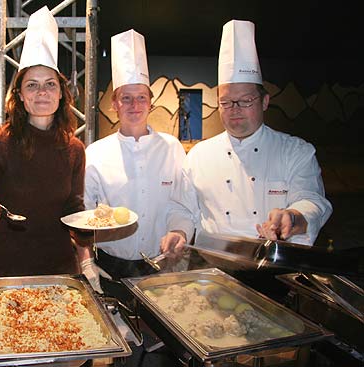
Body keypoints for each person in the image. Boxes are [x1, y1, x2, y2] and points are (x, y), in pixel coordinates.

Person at [162, 20, 333, 251]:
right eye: (226, 101)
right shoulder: (199, 156)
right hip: (213, 271)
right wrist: (178, 231)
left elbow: (313, 201)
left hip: (275, 268)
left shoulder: (295, 151)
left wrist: (293, 217)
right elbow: (182, 208)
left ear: (264, 101)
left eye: (245, 101)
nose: (235, 109)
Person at [0, 6, 86, 276]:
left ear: (61, 94)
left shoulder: (75, 149)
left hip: (62, 267)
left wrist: (92, 227)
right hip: (9, 267)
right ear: (20, 95)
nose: (42, 92)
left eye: (50, 84)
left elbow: (73, 208)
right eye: (32, 85)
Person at [79, 29, 187, 295]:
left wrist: (180, 233)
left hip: (161, 266)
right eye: (125, 97)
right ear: (114, 103)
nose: (134, 105)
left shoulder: (172, 148)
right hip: (109, 267)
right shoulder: (95, 153)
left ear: (151, 103)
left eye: (141, 97)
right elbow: (82, 215)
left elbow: (182, 205)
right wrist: (86, 261)